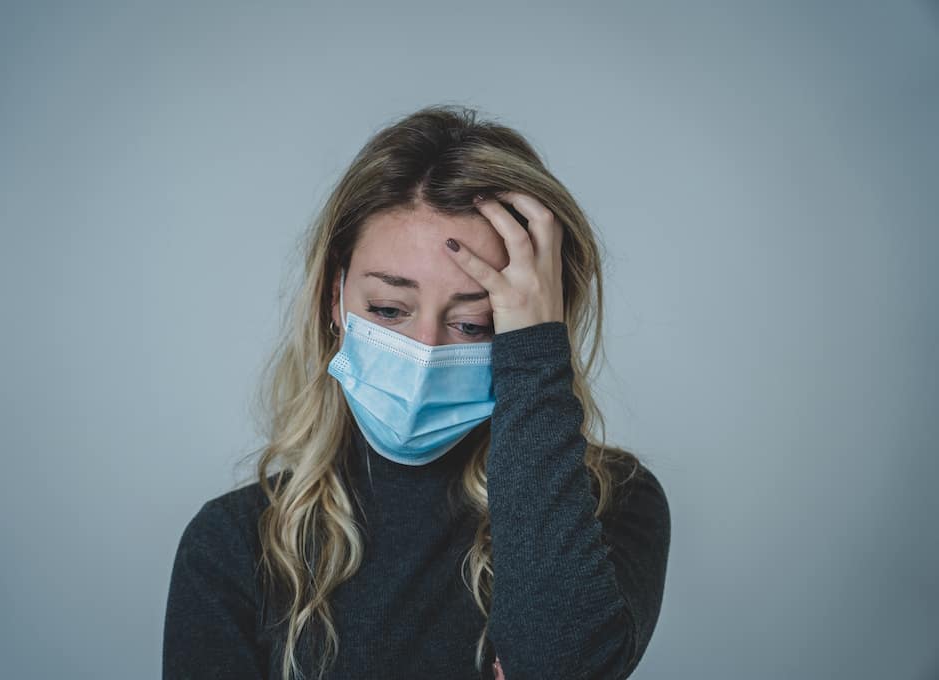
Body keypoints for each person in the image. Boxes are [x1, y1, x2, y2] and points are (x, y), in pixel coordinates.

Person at [162, 104, 672, 680]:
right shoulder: (233, 546)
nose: (426, 349)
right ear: (336, 299)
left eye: (474, 324)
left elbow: (559, 668)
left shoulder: (614, 507)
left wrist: (532, 356)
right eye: (388, 309)